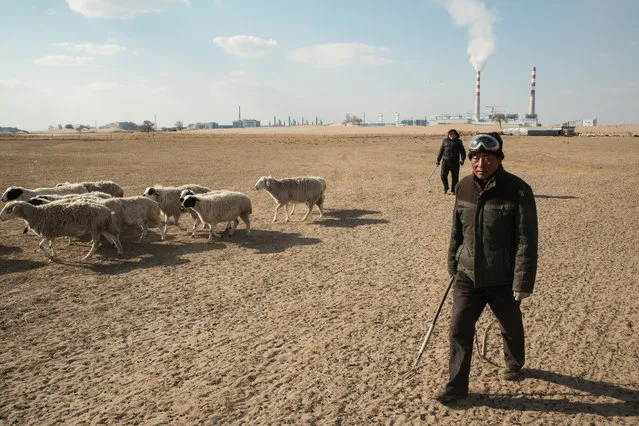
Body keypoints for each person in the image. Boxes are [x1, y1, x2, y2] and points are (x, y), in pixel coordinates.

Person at [435, 132, 538, 404]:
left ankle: (514, 363)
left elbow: (527, 240)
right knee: (459, 329)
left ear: (499, 159)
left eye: (488, 157)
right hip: (467, 275)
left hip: (502, 277)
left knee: (510, 324)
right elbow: (456, 231)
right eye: (476, 158)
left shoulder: (519, 190)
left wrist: (522, 282)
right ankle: (456, 388)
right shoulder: (463, 187)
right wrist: (452, 263)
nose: (481, 163)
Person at [436, 129, 466, 194]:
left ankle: (453, 190)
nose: (452, 135)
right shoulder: (445, 141)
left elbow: (463, 152)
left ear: (456, 135)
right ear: (448, 135)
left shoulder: (459, 142)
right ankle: (446, 188)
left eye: (453, 134)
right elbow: (441, 151)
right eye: (450, 134)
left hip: (455, 162)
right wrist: (438, 160)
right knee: (443, 175)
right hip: (445, 162)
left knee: (455, 177)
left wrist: (462, 160)